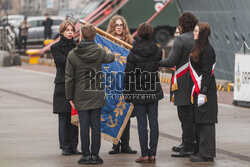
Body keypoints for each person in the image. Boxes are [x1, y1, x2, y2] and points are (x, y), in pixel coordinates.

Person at [65, 24, 115, 164]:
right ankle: (95, 155)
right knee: (96, 126)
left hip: (80, 95)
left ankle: (86, 155)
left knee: (84, 126)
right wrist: (112, 52)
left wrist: (69, 96)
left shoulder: (72, 54)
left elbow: (69, 78)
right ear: (94, 36)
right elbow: (109, 58)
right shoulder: (99, 52)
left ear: (80, 36)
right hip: (97, 94)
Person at [159, 12, 199, 157]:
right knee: (194, 116)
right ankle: (191, 144)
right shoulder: (198, 38)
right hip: (196, 82)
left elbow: (170, 62)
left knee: (185, 117)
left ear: (182, 25)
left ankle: (187, 148)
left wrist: (155, 60)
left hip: (183, 83)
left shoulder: (180, 40)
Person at [124, 23, 164, 163]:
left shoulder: (133, 52)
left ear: (139, 34)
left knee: (142, 124)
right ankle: (153, 154)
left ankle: (144, 154)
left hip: (138, 92)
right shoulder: (157, 51)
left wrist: (128, 95)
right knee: (154, 122)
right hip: (153, 90)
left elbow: (128, 75)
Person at [106, 15, 137, 154]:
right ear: (112, 27)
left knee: (126, 114)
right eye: (116, 25)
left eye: (121, 25)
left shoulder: (131, 42)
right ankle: (115, 144)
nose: (119, 27)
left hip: (127, 83)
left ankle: (126, 145)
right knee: (113, 113)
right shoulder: (107, 42)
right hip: (113, 83)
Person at [50, 20, 81, 156]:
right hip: (62, 84)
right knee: (63, 116)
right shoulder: (55, 47)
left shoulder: (78, 46)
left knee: (75, 117)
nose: (70, 32)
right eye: (67, 30)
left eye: (71, 30)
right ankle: (65, 146)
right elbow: (62, 62)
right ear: (62, 31)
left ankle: (74, 145)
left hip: (76, 84)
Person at [189, 22, 218, 162]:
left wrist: (203, 92)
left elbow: (207, 73)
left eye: (196, 31)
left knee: (207, 122)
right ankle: (201, 150)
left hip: (206, 91)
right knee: (200, 121)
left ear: (202, 34)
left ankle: (207, 153)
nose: (194, 33)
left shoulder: (207, 50)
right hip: (199, 90)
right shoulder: (198, 48)